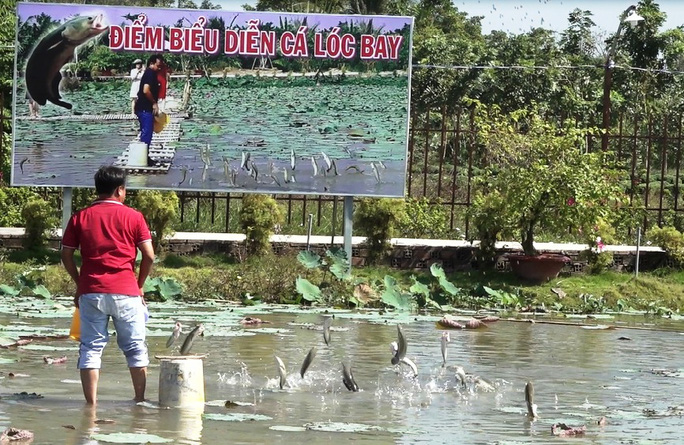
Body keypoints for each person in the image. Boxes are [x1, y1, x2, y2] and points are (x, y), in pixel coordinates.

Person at [61, 166, 155, 405]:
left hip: (91, 291)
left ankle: (90, 407)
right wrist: (139, 284)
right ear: (120, 190)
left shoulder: (79, 217)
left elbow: (66, 255)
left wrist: (79, 282)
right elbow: (149, 256)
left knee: (91, 348)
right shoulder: (134, 217)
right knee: (135, 348)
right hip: (126, 292)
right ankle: (139, 401)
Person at [134, 54, 164, 166]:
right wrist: (154, 103)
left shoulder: (150, 73)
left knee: (146, 133)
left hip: (143, 108)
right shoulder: (150, 73)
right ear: (151, 64)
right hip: (145, 108)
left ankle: (144, 156)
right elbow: (146, 90)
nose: (159, 68)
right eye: (158, 66)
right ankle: (143, 158)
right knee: (146, 133)